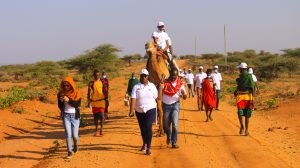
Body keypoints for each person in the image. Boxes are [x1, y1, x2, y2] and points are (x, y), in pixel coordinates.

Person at [129, 69, 158, 155]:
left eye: (145, 76)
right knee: (142, 128)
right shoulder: (136, 87)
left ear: (147, 77)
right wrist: (131, 110)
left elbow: (157, 97)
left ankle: (148, 147)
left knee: (148, 126)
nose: (143, 77)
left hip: (150, 109)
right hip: (139, 110)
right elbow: (133, 99)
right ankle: (144, 143)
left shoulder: (152, 86)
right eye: (142, 76)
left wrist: (160, 88)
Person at [159, 69, 187, 148]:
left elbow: (185, 96)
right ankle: (169, 136)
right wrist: (161, 83)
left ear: (177, 75)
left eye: (175, 75)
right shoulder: (165, 82)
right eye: (172, 75)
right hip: (166, 106)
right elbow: (160, 91)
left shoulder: (180, 84)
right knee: (166, 125)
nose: (173, 77)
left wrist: (184, 95)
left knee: (175, 125)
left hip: (175, 105)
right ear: (169, 75)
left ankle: (174, 143)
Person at [57, 76, 81, 158]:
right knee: (68, 134)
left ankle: (76, 145)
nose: (66, 87)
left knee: (75, 135)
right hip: (66, 116)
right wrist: (61, 101)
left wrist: (68, 100)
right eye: (64, 85)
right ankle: (69, 152)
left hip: (75, 116)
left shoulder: (77, 93)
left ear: (71, 85)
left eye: (67, 85)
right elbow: (60, 106)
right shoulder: (61, 93)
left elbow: (77, 104)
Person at [235, 62, 254, 136]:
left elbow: (252, 87)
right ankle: (243, 127)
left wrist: (252, 97)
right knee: (242, 113)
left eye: (240, 68)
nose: (239, 70)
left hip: (246, 96)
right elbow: (239, 86)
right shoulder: (240, 77)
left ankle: (245, 129)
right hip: (243, 96)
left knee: (245, 113)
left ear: (242, 69)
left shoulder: (248, 76)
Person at [87, 70, 106, 136]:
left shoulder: (103, 82)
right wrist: (88, 102)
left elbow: (106, 91)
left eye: (98, 75)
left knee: (102, 116)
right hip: (94, 102)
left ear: (100, 75)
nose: (97, 76)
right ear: (93, 76)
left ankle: (101, 129)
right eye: (95, 75)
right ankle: (96, 130)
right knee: (95, 117)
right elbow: (88, 93)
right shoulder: (91, 83)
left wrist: (107, 99)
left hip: (101, 101)